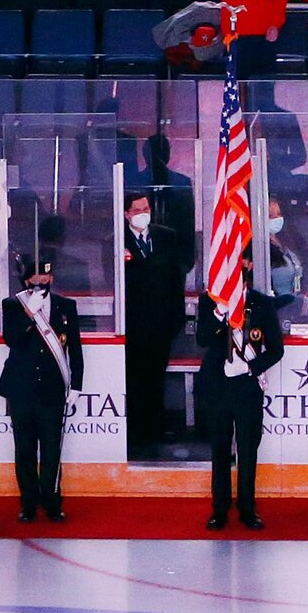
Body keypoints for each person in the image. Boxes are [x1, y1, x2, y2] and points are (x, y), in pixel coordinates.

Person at [0, 254, 85, 521]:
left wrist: (76, 386)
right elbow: (11, 340)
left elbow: (76, 350)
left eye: (46, 276)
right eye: (37, 277)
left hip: (52, 390)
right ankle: (28, 504)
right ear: (27, 280)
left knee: (51, 449)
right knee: (24, 449)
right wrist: (29, 313)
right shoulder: (13, 305)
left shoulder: (66, 306)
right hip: (21, 389)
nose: (42, 280)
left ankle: (52, 501)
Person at [198, 287, 286, 530]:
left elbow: (277, 349)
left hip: (247, 387)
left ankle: (247, 508)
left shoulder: (261, 303)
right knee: (220, 449)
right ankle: (220, 509)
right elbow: (202, 339)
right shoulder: (210, 300)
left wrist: (251, 368)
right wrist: (219, 312)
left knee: (247, 449)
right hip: (217, 385)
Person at [121, 188, 191, 459]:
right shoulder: (116, 240)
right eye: (137, 210)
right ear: (127, 213)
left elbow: (176, 280)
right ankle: (135, 430)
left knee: (155, 377)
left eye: (146, 209)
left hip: (161, 323)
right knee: (135, 378)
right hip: (133, 325)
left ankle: (155, 427)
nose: (143, 214)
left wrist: (176, 318)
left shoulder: (166, 237)